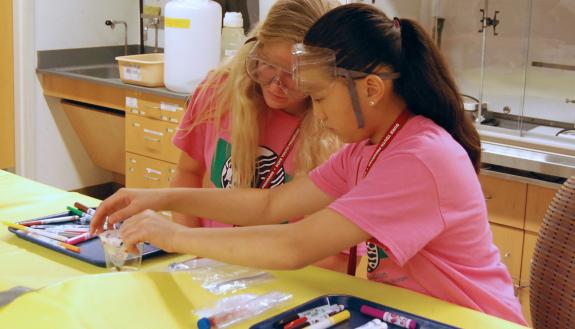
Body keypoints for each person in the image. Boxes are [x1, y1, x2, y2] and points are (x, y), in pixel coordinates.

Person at [91, 3, 526, 325]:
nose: (316, 114)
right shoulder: (369, 148)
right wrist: (158, 196)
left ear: (371, 89)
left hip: (470, 320)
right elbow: (270, 205)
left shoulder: (419, 157)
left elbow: (293, 244)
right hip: (410, 313)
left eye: (319, 98)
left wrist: (174, 234)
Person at [169, 0, 355, 272]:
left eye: (294, 74)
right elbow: (187, 174)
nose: (276, 84)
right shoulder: (219, 91)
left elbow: (336, 255)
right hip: (211, 270)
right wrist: (192, 256)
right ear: (255, 49)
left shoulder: (338, 129)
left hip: (287, 285)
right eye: (267, 64)